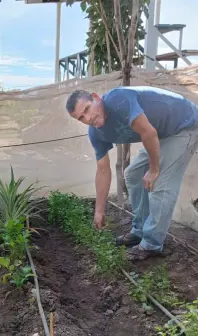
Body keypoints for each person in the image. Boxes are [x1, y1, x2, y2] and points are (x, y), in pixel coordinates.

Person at [65, 86, 198, 261]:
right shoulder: (96, 133)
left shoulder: (118, 100)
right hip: (160, 133)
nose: (88, 118)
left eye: (87, 109)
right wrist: (99, 211)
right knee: (133, 174)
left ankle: (152, 244)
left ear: (96, 98)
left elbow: (148, 132)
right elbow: (103, 169)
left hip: (184, 124)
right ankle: (140, 229)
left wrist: (154, 169)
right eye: (81, 118)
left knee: (161, 183)